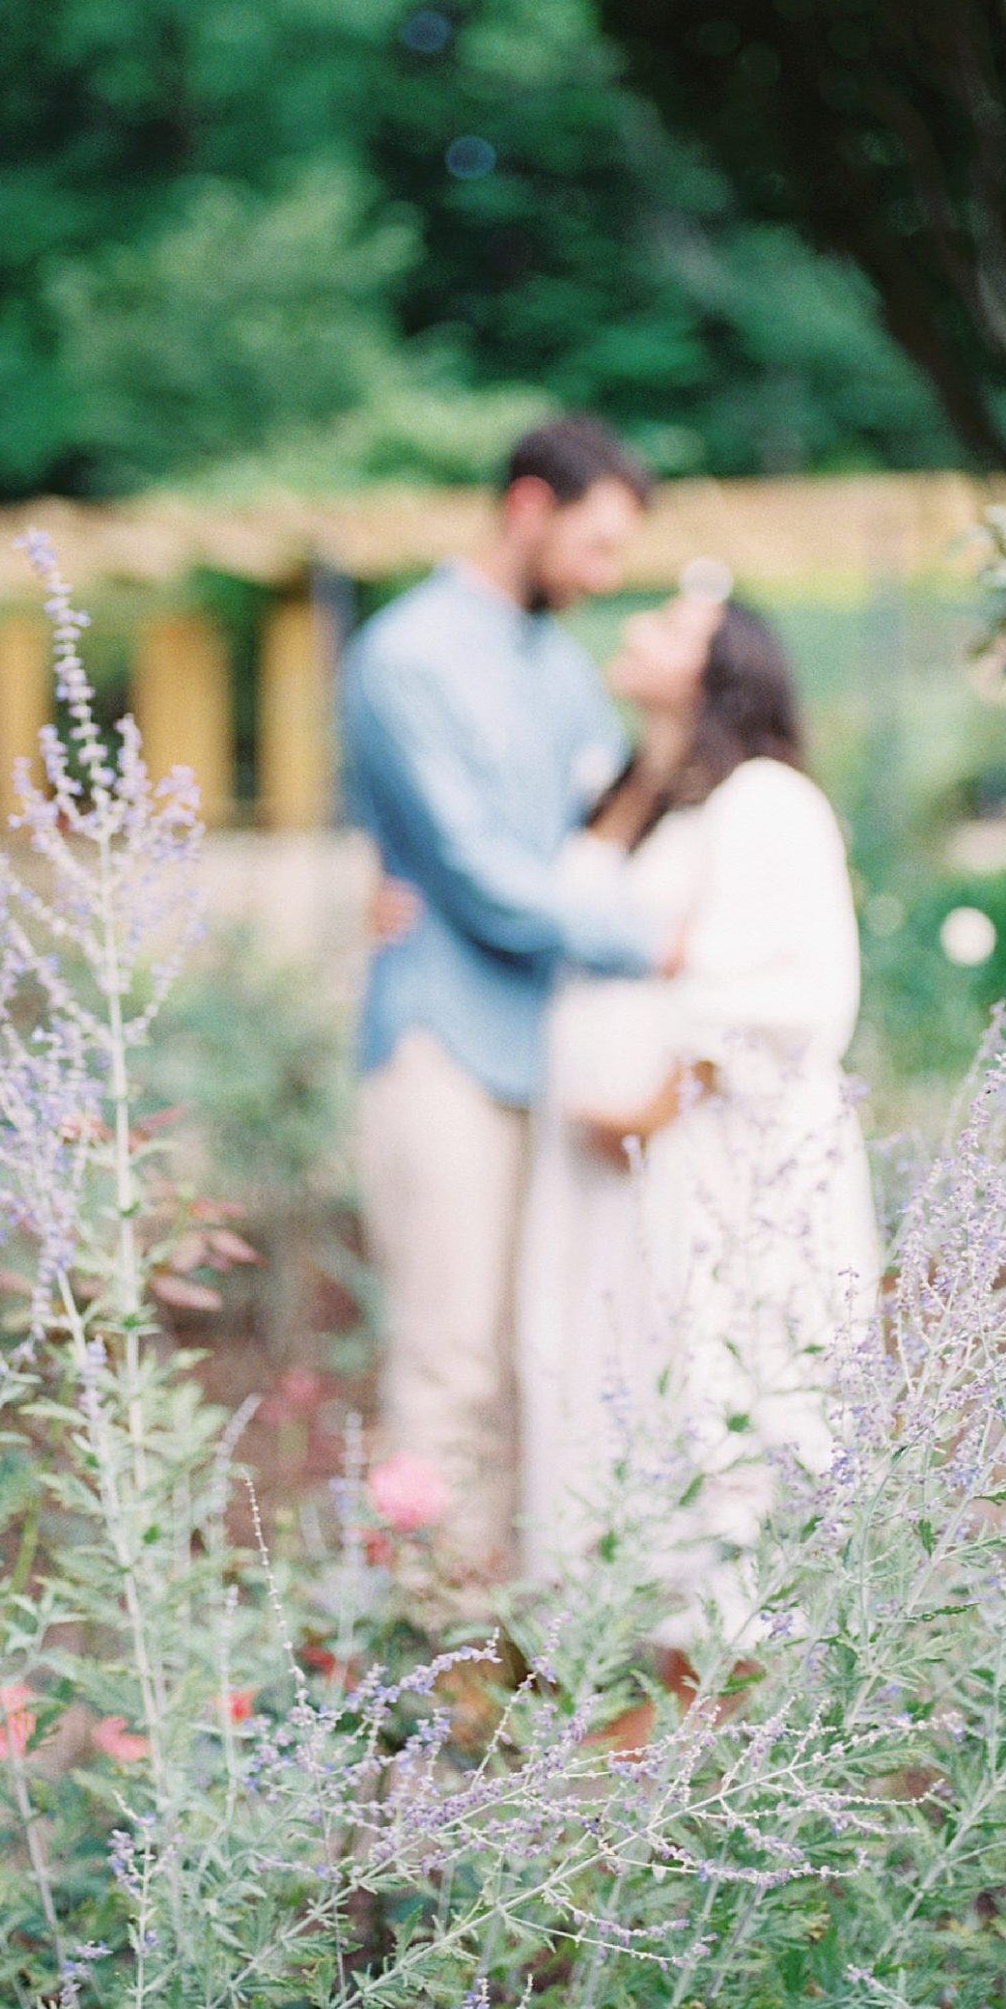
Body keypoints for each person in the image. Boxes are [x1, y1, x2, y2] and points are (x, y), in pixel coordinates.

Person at [514, 576, 879, 1648]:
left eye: (671, 624)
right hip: (619, 1171)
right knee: (627, 1375)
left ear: (725, 669)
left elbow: (785, 990)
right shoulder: (638, 792)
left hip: (716, 1155)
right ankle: (624, 1639)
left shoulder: (765, 799)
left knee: (721, 1371)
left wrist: (650, 1106)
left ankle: (731, 1658)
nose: (635, 629)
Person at [337, 416, 674, 1573]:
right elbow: (476, 875)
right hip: (442, 1045)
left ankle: (529, 1633)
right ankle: (435, 1656)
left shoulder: (562, 665)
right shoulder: (405, 654)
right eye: (596, 541)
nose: (606, 574)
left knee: (548, 1350)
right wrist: (651, 940)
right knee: (447, 1362)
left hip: (556, 1049)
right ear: (527, 505)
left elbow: (597, 831)